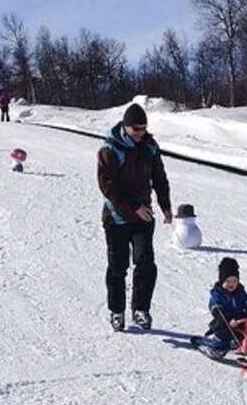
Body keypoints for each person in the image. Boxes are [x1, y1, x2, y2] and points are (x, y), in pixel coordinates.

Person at [98, 103, 172, 332]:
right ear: (126, 127)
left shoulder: (150, 146)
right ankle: (116, 311)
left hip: (143, 216)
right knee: (118, 266)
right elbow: (107, 187)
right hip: (117, 217)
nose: (140, 134)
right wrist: (134, 208)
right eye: (136, 129)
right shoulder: (110, 149)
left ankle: (140, 309)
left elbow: (159, 177)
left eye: (143, 129)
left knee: (146, 263)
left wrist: (165, 205)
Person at [201, 257, 247, 358]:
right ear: (222, 281)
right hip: (226, 321)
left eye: (234, 280)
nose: (231, 284)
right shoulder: (217, 295)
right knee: (222, 326)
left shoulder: (240, 292)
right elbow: (217, 311)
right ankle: (218, 347)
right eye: (228, 281)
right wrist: (229, 320)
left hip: (241, 321)